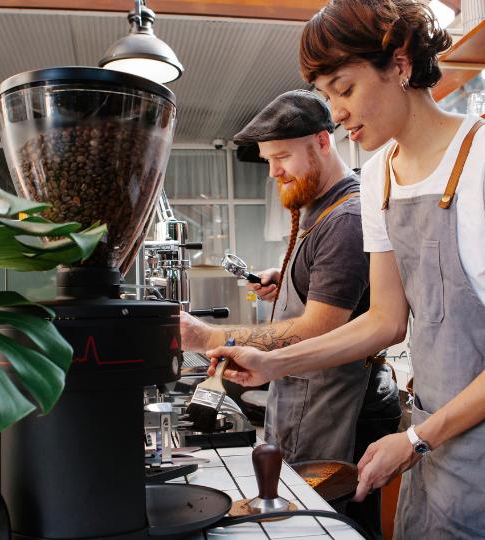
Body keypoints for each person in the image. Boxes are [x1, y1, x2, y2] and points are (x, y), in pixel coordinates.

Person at [204, 1, 485, 538]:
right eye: (327, 95)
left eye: (345, 88)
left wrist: (416, 439)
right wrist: (274, 364)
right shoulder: (378, 174)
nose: (335, 112)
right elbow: (385, 320)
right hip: (434, 439)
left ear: (400, 63)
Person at [180, 89, 400, 538]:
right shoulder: (320, 208)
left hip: (341, 407)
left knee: (337, 528)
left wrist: (209, 339)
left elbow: (318, 329)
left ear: (322, 141)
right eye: (267, 160)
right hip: (308, 402)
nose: (274, 170)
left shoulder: (345, 218)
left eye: (282, 156)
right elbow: (329, 296)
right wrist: (288, 285)